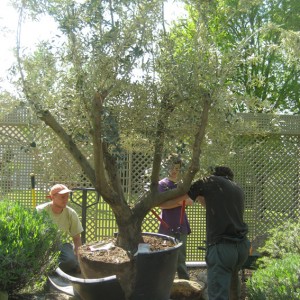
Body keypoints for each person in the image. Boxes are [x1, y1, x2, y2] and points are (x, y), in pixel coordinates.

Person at [188, 166, 250, 300]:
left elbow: (186, 199)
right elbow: (217, 205)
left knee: (218, 295)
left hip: (222, 249)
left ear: (214, 174)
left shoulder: (208, 181)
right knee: (233, 290)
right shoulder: (237, 188)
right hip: (241, 248)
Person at [158, 155, 193, 280]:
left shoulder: (182, 185)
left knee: (181, 259)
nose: (174, 171)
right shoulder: (162, 184)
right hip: (166, 225)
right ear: (166, 167)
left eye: (177, 168)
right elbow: (162, 205)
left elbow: (190, 201)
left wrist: (173, 200)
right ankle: (164, 283)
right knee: (165, 257)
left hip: (181, 225)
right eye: (172, 168)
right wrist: (180, 201)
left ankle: (186, 284)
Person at [36, 184, 83, 274]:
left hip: (62, 245)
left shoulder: (71, 213)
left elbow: (77, 238)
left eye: (67, 197)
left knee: (70, 261)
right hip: (43, 244)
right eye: (62, 197)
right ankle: (51, 268)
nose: (66, 200)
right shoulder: (40, 211)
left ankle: (51, 268)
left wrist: (79, 261)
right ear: (52, 197)